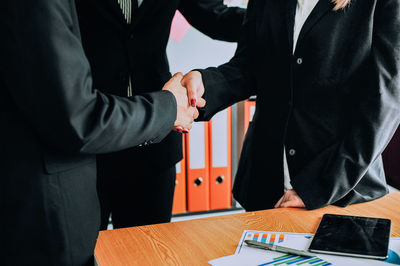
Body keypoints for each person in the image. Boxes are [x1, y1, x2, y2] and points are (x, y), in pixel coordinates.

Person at [0, 0, 199, 265]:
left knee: (149, 255)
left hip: (150, 152)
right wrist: (169, 106)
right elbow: (77, 115)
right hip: (72, 163)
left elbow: (213, 15)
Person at [182, 0, 400, 211]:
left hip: (341, 188)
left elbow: (384, 103)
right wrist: (203, 85)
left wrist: (317, 187)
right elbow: (248, 67)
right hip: (267, 183)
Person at [74, 0, 245, 229]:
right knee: (85, 250)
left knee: (148, 249)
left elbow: (216, 17)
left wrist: (281, 16)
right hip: (89, 138)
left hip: (155, 143)